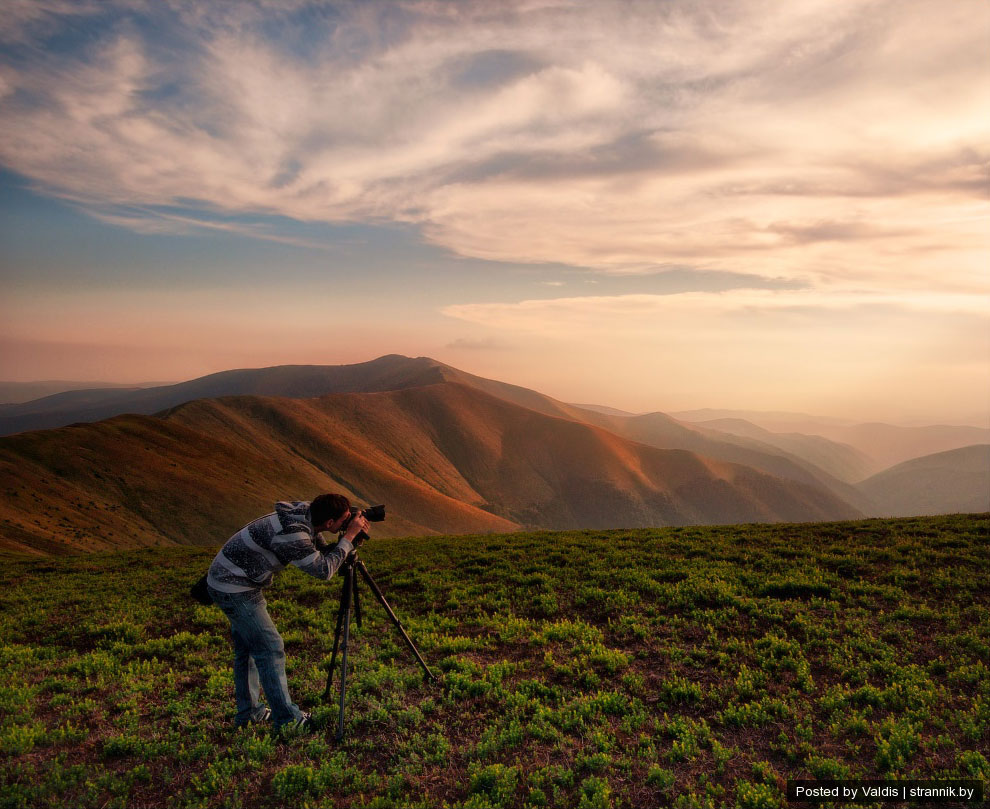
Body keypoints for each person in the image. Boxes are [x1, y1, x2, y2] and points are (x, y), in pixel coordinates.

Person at [206, 494, 370, 733]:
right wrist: (349, 537)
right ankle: (288, 721)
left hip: (228, 580)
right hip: (235, 587)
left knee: (248, 650)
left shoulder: (305, 514)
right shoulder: (293, 534)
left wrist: (345, 543)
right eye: (343, 520)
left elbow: (321, 550)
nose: (347, 523)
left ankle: (250, 713)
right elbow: (323, 570)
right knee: (270, 648)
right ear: (328, 523)